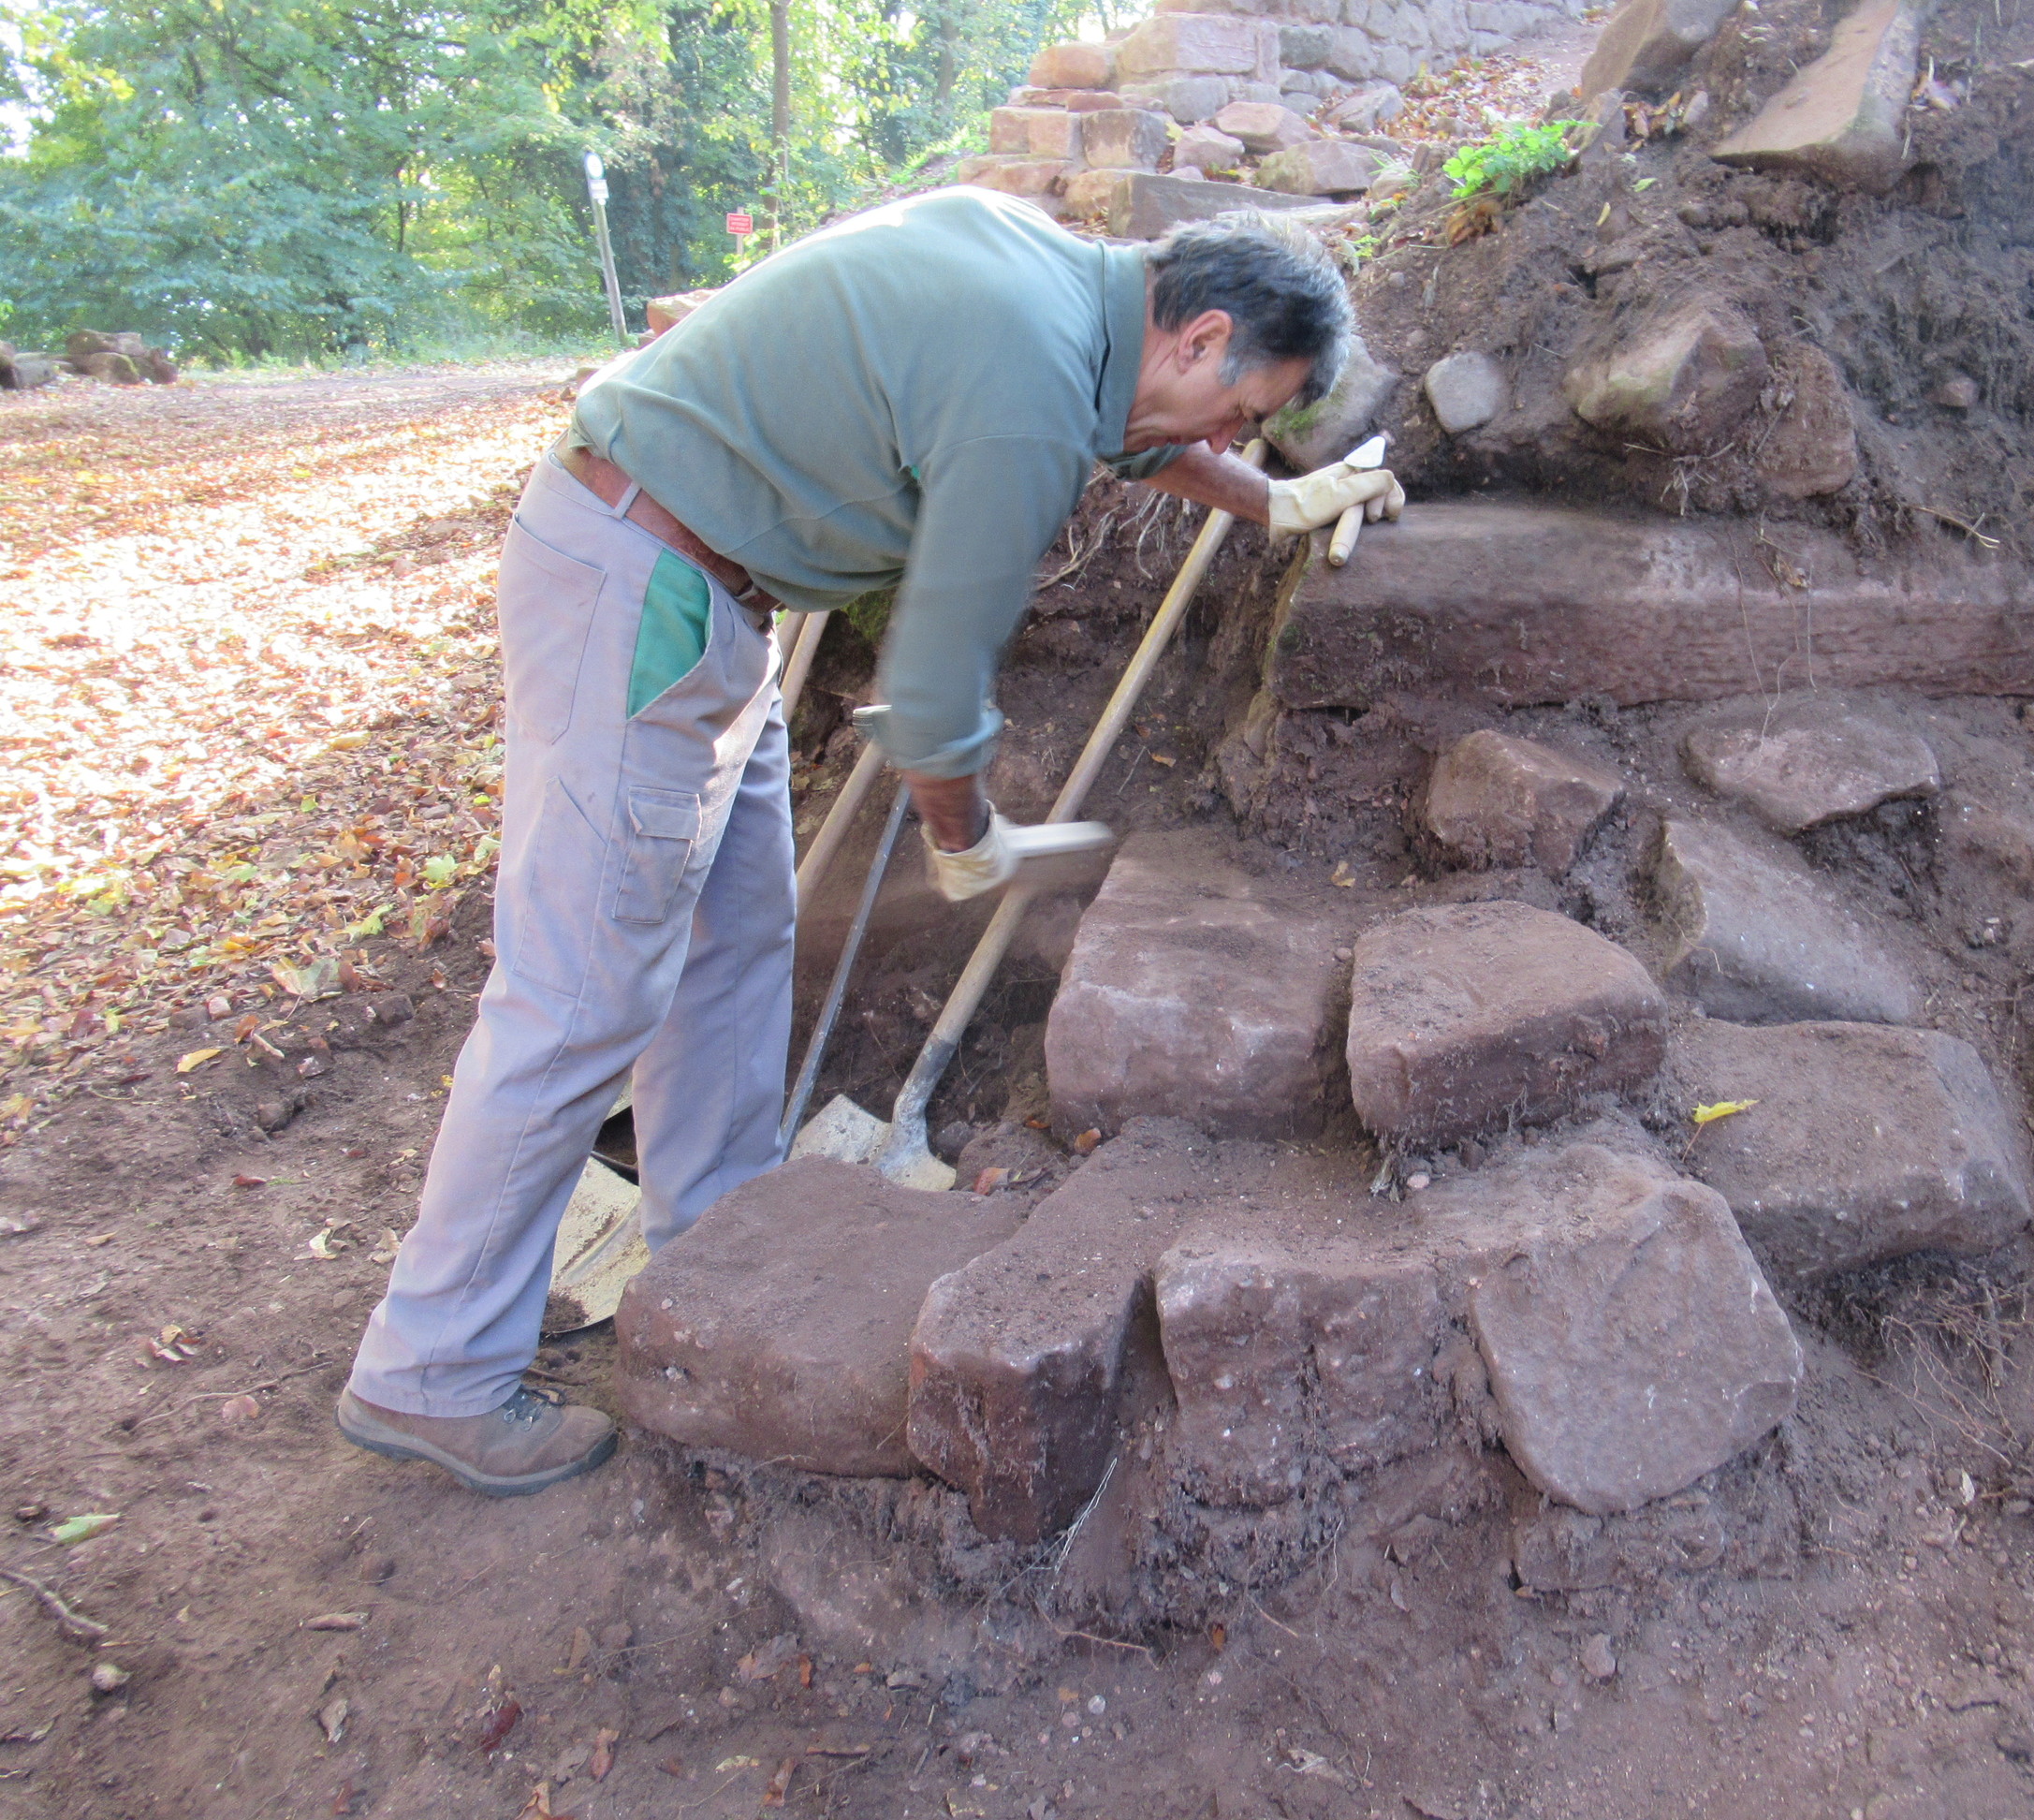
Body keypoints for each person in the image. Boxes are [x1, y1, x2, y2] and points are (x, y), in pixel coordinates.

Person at [335, 187, 1405, 1495]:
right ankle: (432, 1370)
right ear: (1204, 335)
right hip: (641, 586)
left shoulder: (1069, 296)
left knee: (736, 944)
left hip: (706, 594)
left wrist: (1275, 505)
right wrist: (969, 841)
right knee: (578, 998)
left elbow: (1138, 441)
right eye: (1243, 413)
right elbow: (935, 693)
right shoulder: (1027, 375)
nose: (1233, 439)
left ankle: (715, 1260)